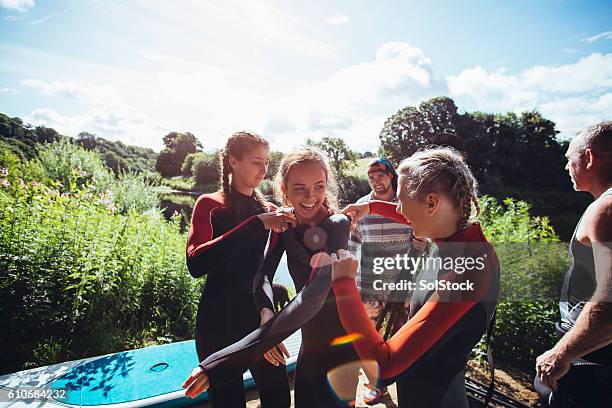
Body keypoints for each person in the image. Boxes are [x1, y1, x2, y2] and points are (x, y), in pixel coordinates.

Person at [183, 148, 359, 408]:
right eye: (300, 188)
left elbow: (315, 294)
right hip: (310, 348)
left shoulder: (336, 225)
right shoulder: (284, 226)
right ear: (284, 188)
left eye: (319, 186)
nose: (312, 197)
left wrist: (227, 360)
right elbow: (262, 276)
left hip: (340, 349)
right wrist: (265, 311)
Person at [332, 146, 500, 408]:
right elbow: (412, 215)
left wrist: (343, 286)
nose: (399, 209)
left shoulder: (469, 267)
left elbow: (385, 367)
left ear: (432, 203)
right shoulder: (454, 237)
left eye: (401, 200)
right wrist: (372, 206)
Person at [185, 131, 295, 408]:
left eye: (267, 162)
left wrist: (268, 316)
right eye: (257, 161)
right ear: (233, 161)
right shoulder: (211, 205)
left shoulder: (271, 211)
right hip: (217, 324)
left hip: (258, 320)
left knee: (279, 398)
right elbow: (196, 263)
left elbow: (266, 274)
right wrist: (257, 223)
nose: (264, 169)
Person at [534, 121, 612, 407]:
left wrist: (562, 353)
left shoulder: (606, 209)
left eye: (570, 159)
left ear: (589, 158)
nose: (566, 167)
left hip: (593, 363)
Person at [347, 157, 428, 404]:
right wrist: (348, 277)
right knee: (368, 339)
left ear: (391, 175)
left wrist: (417, 250)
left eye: (380, 175)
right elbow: (352, 244)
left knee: (399, 337)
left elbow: (423, 240)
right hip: (368, 285)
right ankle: (377, 385)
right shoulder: (361, 206)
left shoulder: (406, 204)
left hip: (401, 284)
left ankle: (404, 384)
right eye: (371, 177)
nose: (376, 181)